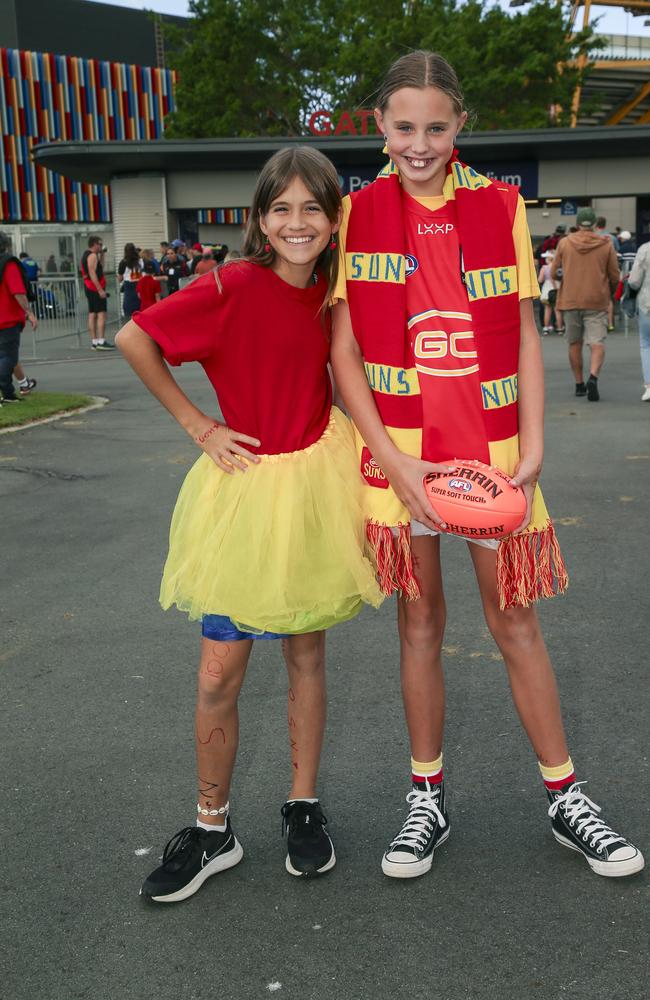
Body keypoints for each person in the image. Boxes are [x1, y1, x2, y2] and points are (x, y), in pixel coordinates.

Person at [330, 50, 644, 881]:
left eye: (437, 126)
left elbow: (528, 341)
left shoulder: (502, 206)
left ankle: (566, 796)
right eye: (405, 127)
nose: (421, 142)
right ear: (382, 127)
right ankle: (424, 798)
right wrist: (395, 462)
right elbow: (344, 354)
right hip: (397, 456)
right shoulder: (353, 214)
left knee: (514, 622)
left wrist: (535, 449)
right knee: (419, 623)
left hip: (493, 455)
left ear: (460, 124)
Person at [115, 147, 383, 903]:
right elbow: (136, 337)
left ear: (335, 220)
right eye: (282, 208)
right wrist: (199, 425)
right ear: (260, 219)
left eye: (313, 209)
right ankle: (211, 829)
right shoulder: (232, 285)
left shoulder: (335, 291)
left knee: (306, 656)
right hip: (244, 497)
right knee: (217, 673)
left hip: (315, 491)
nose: (298, 223)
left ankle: (303, 806)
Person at [551, 207, 619, 401]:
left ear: (578, 224)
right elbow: (614, 275)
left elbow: (555, 271)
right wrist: (610, 292)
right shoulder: (606, 244)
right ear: (596, 225)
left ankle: (579, 384)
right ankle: (594, 377)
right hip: (596, 300)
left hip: (570, 299)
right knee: (597, 342)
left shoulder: (564, 243)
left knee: (574, 343)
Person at [0, 231, 38, 405]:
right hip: (7, 318)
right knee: (9, 358)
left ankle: (11, 391)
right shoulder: (9, 264)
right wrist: (29, 312)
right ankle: (7, 393)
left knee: (5, 357)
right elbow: (18, 292)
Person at [80, 235, 114, 350]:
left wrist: (102, 255)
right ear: (94, 244)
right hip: (94, 288)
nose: (101, 246)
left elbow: (100, 267)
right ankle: (100, 341)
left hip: (90, 287)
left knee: (93, 313)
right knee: (101, 314)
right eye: (99, 244)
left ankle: (95, 342)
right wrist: (100, 290)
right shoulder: (92, 255)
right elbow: (92, 273)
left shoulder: (88, 255)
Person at [627, 237, 650, 401]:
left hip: (647, 304)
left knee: (646, 344)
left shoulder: (645, 249)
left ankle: (649, 386)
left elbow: (634, 281)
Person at [117, 243, 143, 319]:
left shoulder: (123, 262)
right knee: (139, 305)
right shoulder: (140, 260)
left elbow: (120, 278)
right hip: (139, 284)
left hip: (129, 286)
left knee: (128, 308)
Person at [538, 250, 558, 334]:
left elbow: (540, 279)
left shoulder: (544, 268)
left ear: (549, 259)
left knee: (547, 308)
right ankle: (560, 328)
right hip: (557, 288)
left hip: (547, 288)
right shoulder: (558, 267)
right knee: (557, 309)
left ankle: (546, 327)